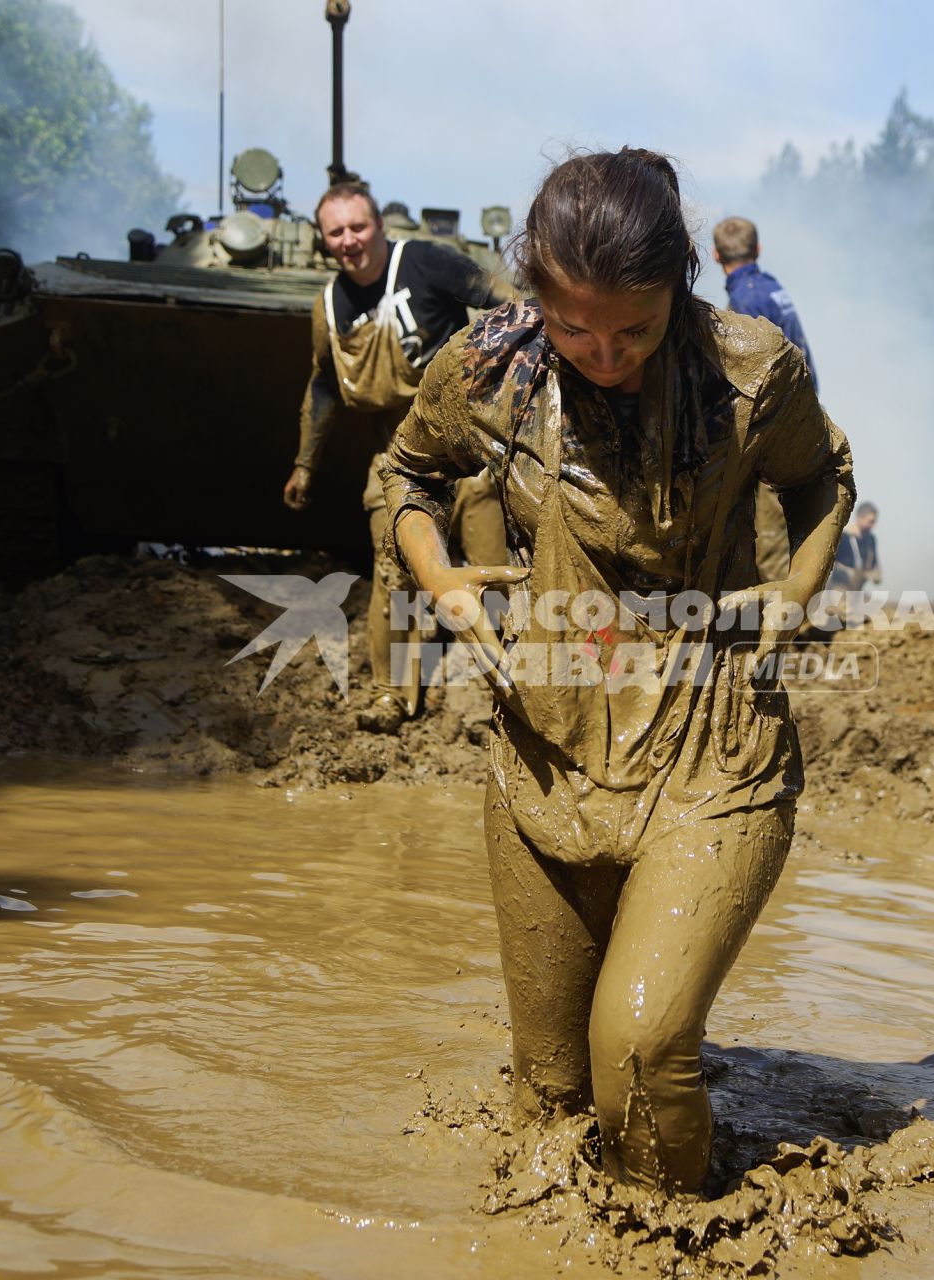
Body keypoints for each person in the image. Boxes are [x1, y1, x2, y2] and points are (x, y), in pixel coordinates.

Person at [381, 149, 854, 1195]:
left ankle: (683, 1248)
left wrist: (794, 591)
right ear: (533, 295)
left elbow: (821, 477)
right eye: (575, 330)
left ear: (680, 282)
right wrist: (447, 585)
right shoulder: (487, 373)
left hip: (710, 752)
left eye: (633, 331)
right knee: (550, 1102)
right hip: (543, 757)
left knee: (638, 1055)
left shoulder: (750, 370)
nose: (603, 355)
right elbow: (405, 471)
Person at [283, 181, 515, 732]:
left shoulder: (425, 262)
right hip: (396, 453)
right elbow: (323, 384)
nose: (349, 240)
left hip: (470, 442)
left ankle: (512, 689)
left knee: (494, 563)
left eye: (358, 227)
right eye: (336, 232)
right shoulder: (330, 306)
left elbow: (504, 300)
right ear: (324, 240)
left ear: (379, 226)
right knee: (392, 572)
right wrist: (304, 463)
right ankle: (392, 695)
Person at [713, 216, 818, 584]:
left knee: (770, 524)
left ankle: (782, 620)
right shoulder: (773, 288)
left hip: (774, 423)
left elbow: (747, 374)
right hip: (799, 413)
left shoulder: (744, 299)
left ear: (714, 255)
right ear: (757, 249)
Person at [827, 501, 881, 593]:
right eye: (871, 521)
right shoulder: (843, 536)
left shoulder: (871, 540)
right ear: (860, 518)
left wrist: (874, 575)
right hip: (837, 589)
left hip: (856, 591)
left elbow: (874, 564)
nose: (873, 525)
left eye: (875, 521)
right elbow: (829, 561)